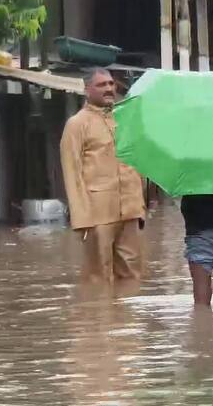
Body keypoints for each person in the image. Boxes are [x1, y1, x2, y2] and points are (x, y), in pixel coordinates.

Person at [60, 68, 146, 283]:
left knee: (132, 275)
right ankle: (99, 316)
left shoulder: (123, 119)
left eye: (111, 84)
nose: (109, 89)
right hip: (97, 213)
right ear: (87, 90)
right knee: (98, 277)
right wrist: (81, 219)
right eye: (102, 85)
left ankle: (126, 318)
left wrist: (142, 206)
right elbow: (72, 172)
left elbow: (137, 162)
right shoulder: (77, 124)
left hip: (130, 209)